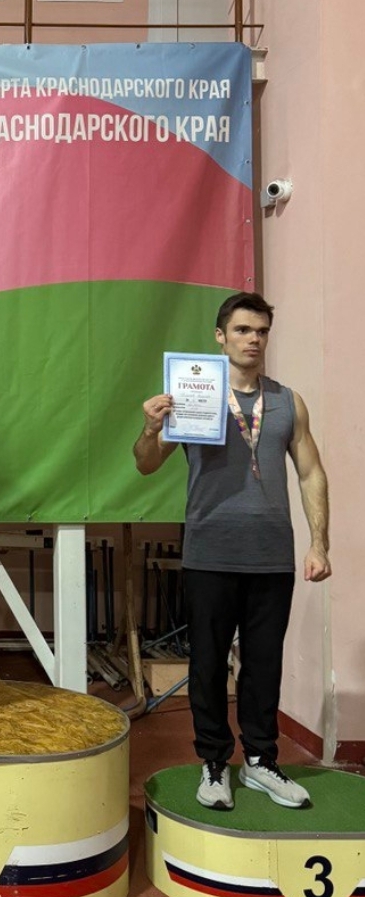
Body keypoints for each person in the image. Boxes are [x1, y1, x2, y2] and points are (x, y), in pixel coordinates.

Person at [134, 291, 330, 810]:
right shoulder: (190, 394)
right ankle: (215, 764)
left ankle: (261, 762)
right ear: (220, 337)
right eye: (243, 330)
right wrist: (151, 428)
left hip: (272, 556)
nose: (253, 340)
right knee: (207, 665)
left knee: (264, 665)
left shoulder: (288, 401)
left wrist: (319, 544)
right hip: (210, 553)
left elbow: (310, 472)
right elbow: (146, 463)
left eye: (261, 331)